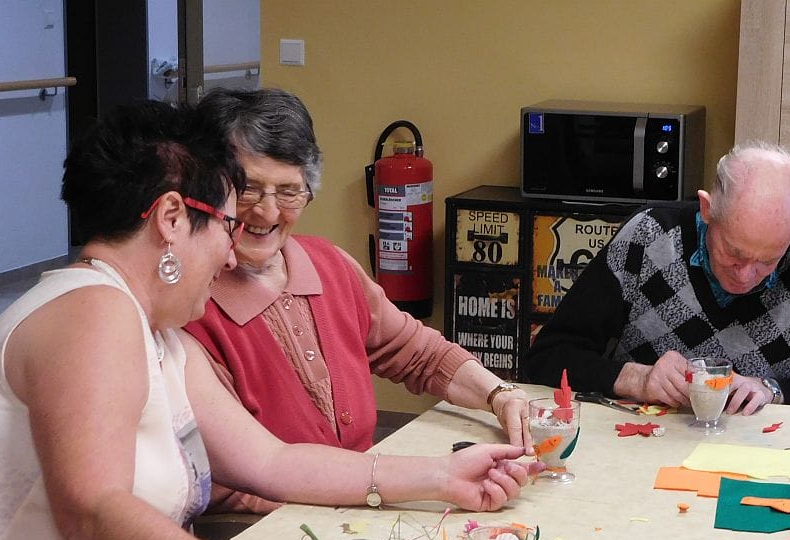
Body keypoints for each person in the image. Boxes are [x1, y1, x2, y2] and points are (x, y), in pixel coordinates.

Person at [0, 101, 537, 540]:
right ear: (172, 218)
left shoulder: (157, 334)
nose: (231, 255)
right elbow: (94, 511)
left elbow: (273, 461)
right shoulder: (93, 313)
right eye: (228, 223)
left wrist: (444, 476)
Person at [185, 88, 532, 514]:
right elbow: (226, 483)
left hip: (360, 513)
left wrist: (500, 395)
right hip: (268, 531)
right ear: (213, 191)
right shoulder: (190, 308)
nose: (268, 212)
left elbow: (419, 353)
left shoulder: (328, 264)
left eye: (289, 191)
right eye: (248, 189)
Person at [524, 141, 790, 411]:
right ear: (707, 209)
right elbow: (546, 358)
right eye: (734, 253)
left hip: (761, 455)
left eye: (768, 260)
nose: (746, 276)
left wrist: (771, 390)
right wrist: (638, 379)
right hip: (644, 444)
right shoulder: (649, 236)